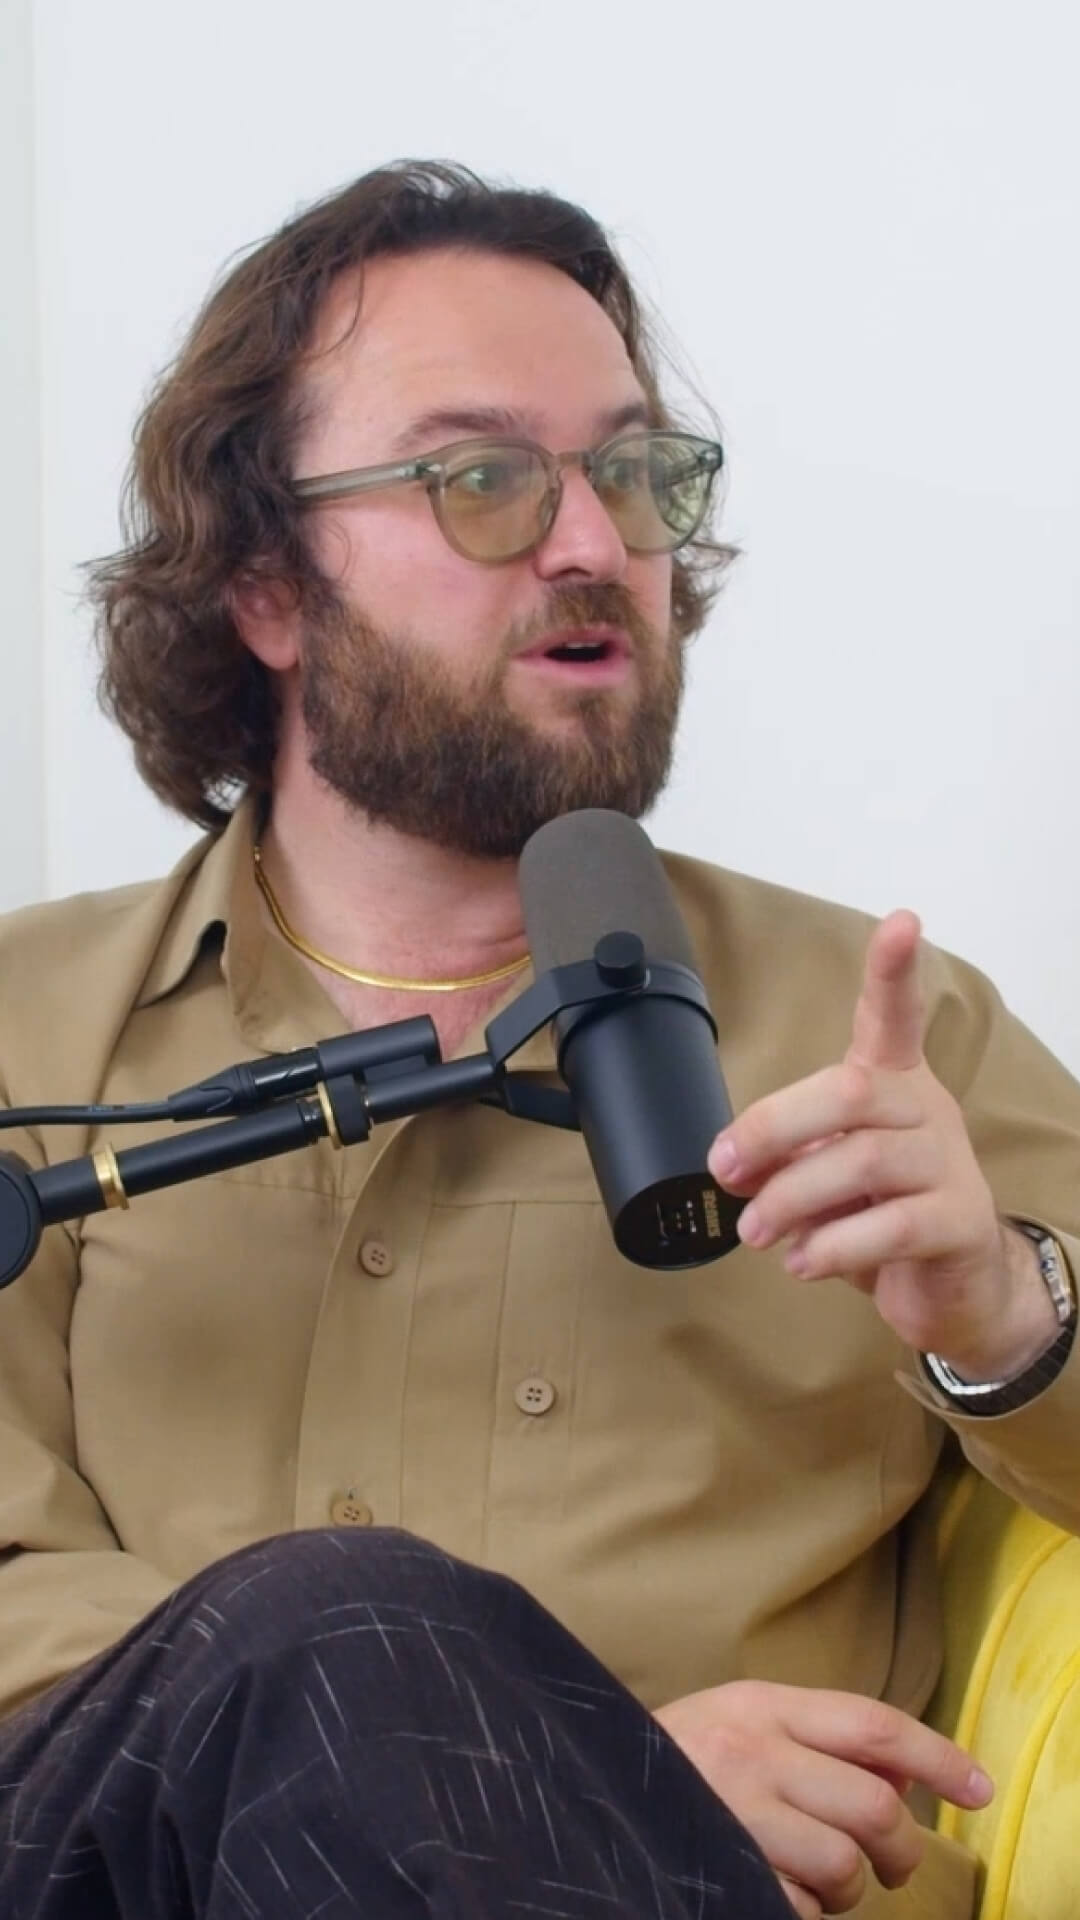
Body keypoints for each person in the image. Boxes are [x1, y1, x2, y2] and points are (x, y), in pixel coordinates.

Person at [0, 160, 1077, 1920]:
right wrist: (571, 1773)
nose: (593, 546)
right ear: (264, 584)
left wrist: (1008, 1319)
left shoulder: (879, 1035)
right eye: (482, 480)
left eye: (632, 475)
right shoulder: (25, 1042)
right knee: (336, 1621)